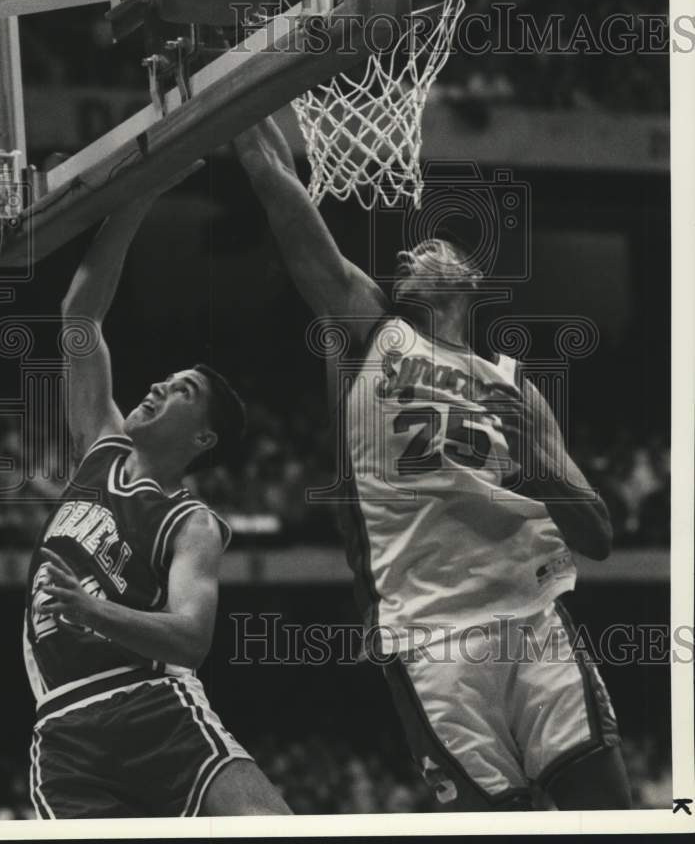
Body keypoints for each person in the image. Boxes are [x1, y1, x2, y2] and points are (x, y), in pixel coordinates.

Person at [234, 115, 632, 812]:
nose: (414, 253)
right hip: (429, 634)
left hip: (534, 617)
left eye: (433, 245)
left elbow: (595, 536)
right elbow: (278, 188)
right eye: (408, 252)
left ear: (471, 282)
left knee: (609, 814)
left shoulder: (513, 382)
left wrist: (536, 462)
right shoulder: (371, 330)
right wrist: (236, 89)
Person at [23, 183, 291, 818]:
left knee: (274, 828)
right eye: (167, 378)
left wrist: (93, 611)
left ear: (202, 437)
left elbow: (191, 639)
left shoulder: (190, 524)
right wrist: (136, 197)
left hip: (149, 702)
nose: (160, 384)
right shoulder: (100, 447)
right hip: (62, 724)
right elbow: (80, 316)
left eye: (183, 390)